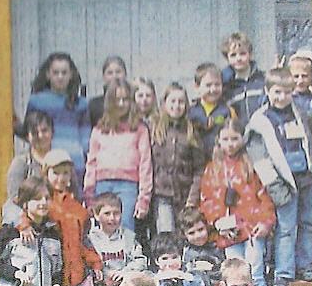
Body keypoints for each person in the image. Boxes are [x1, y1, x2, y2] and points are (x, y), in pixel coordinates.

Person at [246, 66, 312, 286]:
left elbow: (311, 140)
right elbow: (259, 157)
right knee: (286, 228)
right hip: (283, 182)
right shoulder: (260, 120)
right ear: (267, 91)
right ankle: (283, 273)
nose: (282, 97)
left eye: (287, 92)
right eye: (277, 92)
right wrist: (274, 185)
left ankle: (305, 265)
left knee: (310, 223)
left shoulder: (299, 113)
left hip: (307, 177)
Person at [200, 118, 276, 286]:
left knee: (255, 274)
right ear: (218, 140)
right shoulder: (213, 168)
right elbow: (206, 200)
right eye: (226, 139)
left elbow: (265, 195)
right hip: (229, 231)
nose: (230, 144)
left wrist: (266, 222)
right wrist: (218, 224)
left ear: (242, 138)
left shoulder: (252, 164)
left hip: (253, 229)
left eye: (234, 138)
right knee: (233, 276)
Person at [84, 78, 153, 232]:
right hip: (102, 185)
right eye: (117, 99)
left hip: (127, 186)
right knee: (102, 230)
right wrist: (89, 194)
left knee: (125, 228)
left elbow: (145, 164)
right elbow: (91, 163)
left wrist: (144, 198)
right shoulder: (99, 129)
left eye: (125, 99)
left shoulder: (140, 129)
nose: (121, 104)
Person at [42, 149, 103, 286]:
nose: (61, 178)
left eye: (66, 173)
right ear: (45, 173)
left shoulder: (76, 207)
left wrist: (95, 262)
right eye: (56, 173)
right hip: (51, 276)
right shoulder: (41, 202)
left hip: (75, 277)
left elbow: (83, 241)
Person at [24, 52, 90, 194]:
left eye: (64, 72)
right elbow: (30, 133)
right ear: (48, 74)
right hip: (48, 162)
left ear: (71, 75)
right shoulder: (36, 101)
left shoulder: (81, 104)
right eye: (56, 72)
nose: (60, 77)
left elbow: (86, 138)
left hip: (75, 162)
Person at [150, 83, 206, 236]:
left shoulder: (191, 131)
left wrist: (192, 198)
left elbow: (199, 169)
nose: (177, 106)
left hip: (185, 194)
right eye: (172, 101)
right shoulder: (155, 128)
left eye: (181, 102)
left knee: (185, 235)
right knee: (166, 234)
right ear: (164, 103)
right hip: (162, 194)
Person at [87, 192, 148, 286]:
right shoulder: (91, 238)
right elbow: (88, 261)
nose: (112, 218)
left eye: (116, 213)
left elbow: (140, 260)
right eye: (107, 213)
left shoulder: (128, 237)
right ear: (96, 215)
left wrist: (124, 273)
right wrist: (104, 273)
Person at [188, 62, 236, 159]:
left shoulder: (228, 111)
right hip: (195, 161)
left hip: (221, 160)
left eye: (217, 84)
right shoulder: (190, 112)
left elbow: (236, 136)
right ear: (197, 87)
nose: (213, 89)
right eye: (208, 85)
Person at [6, 110, 53, 203]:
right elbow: (15, 198)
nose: (40, 136)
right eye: (35, 132)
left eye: (44, 130)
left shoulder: (61, 160)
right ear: (28, 136)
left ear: (52, 132)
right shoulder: (20, 163)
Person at [220, 31, 266, 126]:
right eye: (233, 55)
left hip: (261, 130)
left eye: (242, 53)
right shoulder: (225, 85)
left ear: (250, 54)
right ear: (227, 58)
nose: (238, 58)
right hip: (237, 132)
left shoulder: (262, 79)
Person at [179, 207, 225, 286]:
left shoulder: (217, 246)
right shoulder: (186, 251)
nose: (198, 236)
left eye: (200, 230)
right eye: (191, 233)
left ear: (207, 227)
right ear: (184, 235)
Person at [88, 55, 128, 128]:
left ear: (125, 74)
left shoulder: (132, 101)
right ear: (104, 77)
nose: (114, 76)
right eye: (110, 73)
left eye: (118, 72)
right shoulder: (94, 105)